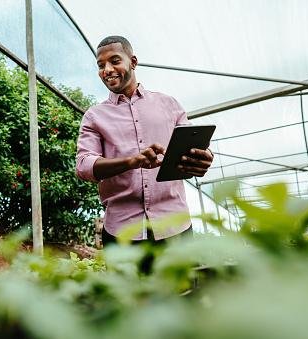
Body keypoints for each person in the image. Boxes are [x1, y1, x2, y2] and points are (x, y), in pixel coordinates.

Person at [76, 36, 213, 246]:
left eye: (115, 61)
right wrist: (132, 161)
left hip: (175, 226)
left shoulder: (169, 104)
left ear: (133, 61)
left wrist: (204, 157)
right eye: (101, 65)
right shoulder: (94, 116)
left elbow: (192, 145)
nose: (107, 70)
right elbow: (84, 166)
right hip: (121, 233)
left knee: (180, 281)